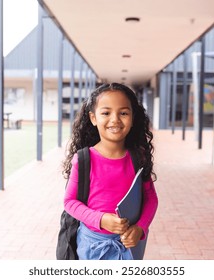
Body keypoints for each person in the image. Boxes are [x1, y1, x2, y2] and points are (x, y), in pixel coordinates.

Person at [63, 83, 158, 260]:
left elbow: (151, 199)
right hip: (92, 246)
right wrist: (100, 219)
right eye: (106, 113)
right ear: (93, 118)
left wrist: (140, 228)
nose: (115, 119)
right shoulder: (84, 160)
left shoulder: (139, 158)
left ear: (133, 117)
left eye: (123, 113)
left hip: (129, 245)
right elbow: (70, 202)